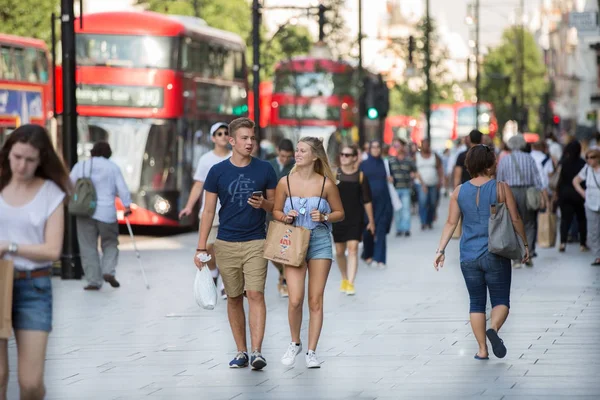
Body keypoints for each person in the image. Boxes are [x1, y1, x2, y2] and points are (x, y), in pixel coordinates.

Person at [194, 117, 277, 370]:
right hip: (226, 243)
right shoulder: (217, 171)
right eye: (244, 138)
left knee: (255, 294)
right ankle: (241, 351)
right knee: (233, 298)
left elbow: (276, 206)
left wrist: (264, 204)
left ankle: (257, 352)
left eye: (252, 138)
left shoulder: (265, 169)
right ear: (232, 141)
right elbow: (208, 211)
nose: (250, 142)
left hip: (256, 240)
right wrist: (200, 248)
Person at [434, 144, 529, 361]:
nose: (497, 163)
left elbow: (451, 222)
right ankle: (493, 329)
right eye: (494, 160)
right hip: (496, 253)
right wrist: (524, 244)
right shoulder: (501, 188)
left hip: (468, 255)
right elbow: (515, 219)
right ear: (488, 165)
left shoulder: (459, 191)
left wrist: (440, 250)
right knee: (501, 300)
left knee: (476, 302)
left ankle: (482, 350)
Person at [0, 125, 71, 399]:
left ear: (41, 160)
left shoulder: (51, 193)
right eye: (17, 157)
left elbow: (53, 250)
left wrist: (10, 246)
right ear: (8, 153)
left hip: (33, 287)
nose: (22, 165)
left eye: (30, 160)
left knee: (30, 383)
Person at [273, 137, 344, 368]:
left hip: (320, 240)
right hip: (293, 240)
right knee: (295, 299)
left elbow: (340, 213)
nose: (298, 153)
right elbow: (275, 210)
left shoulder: (326, 184)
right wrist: (285, 216)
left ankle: (312, 351)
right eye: (297, 149)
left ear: (315, 156)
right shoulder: (285, 182)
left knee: (315, 299)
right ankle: (295, 343)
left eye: (303, 150)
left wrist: (324, 216)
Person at [70, 142, 132, 290]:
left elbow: (69, 184)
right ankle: (108, 271)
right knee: (110, 243)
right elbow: (122, 188)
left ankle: (93, 281)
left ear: (92, 152)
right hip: (107, 212)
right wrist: (127, 206)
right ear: (109, 153)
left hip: (84, 211)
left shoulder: (81, 166)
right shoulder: (112, 167)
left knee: (87, 246)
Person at [180, 122, 231, 299]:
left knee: (224, 248)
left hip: (229, 211)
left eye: (226, 133)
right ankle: (214, 270)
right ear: (213, 138)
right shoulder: (206, 159)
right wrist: (189, 206)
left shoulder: (235, 157)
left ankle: (225, 283)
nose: (223, 136)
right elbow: (198, 184)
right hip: (210, 211)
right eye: (219, 134)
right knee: (209, 246)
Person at [496, 135, 544, 268]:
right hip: (528, 192)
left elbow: (500, 179)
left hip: (509, 191)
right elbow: (537, 180)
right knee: (529, 223)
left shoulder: (505, 160)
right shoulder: (529, 158)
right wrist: (540, 194)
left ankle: (516, 258)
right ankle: (529, 253)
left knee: (512, 223)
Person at [333, 145, 375, 295]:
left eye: (347, 155)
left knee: (353, 249)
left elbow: (367, 200)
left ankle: (351, 283)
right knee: (339, 251)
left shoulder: (360, 176)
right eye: (342, 154)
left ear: (354, 158)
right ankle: (344, 277)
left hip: (355, 218)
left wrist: (371, 220)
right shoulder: (334, 174)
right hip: (338, 218)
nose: (343, 157)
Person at [267, 139, 295, 297]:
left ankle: (285, 278)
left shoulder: (294, 167)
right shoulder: (269, 164)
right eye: (283, 156)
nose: (285, 159)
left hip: (288, 212)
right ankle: (281, 271)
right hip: (269, 212)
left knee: (284, 247)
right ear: (278, 151)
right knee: (271, 250)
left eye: (288, 156)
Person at [360, 140, 393, 268]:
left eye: (377, 147)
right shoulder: (363, 164)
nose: (375, 149)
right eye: (373, 147)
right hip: (367, 202)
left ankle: (380, 259)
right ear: (369, 149)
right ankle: (368, 255)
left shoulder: (385, 163)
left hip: (384, 201)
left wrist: (391, 179)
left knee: (381, 229)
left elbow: (392, 179)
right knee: (368, 229)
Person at [556, 140, 587, 253]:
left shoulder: (564, 162)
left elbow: (559, 180)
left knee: (565, 220)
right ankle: (582, 244)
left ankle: (562, 243)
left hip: (565, 194)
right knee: (581, 219)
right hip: (579, 194)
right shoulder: (583, 163)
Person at [573, 148, 600, 265]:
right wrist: (583, 193)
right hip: (591, 203)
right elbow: (575, 181)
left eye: (592, 157)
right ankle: (598, 255)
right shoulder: (587, 169)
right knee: (593, 231)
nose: (590, 160)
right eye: (588, 158)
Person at [388, 139, 416, 236]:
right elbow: (388, 173)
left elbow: (414, 171)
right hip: (395, 189)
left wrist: (413, 176)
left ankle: (406, 228)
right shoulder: (391, 161)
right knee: (397, 209)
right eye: (395, 146)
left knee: (405, 209)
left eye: (398, 145)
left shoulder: (409, 160)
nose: (397, 148)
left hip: (406, 188)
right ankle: (399, 228)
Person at [415, 139, 444, 230]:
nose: (426, 147)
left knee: (432, 203)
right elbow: (414, 170)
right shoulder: (417, 156)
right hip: (421, 183)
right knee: (422, 202)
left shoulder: (434, 156)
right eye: (424, 145)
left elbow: (440, 168)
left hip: (433, 183)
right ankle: (423, 221)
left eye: (427, 145)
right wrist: (422, 184)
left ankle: (430, 220)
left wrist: (440, 180)